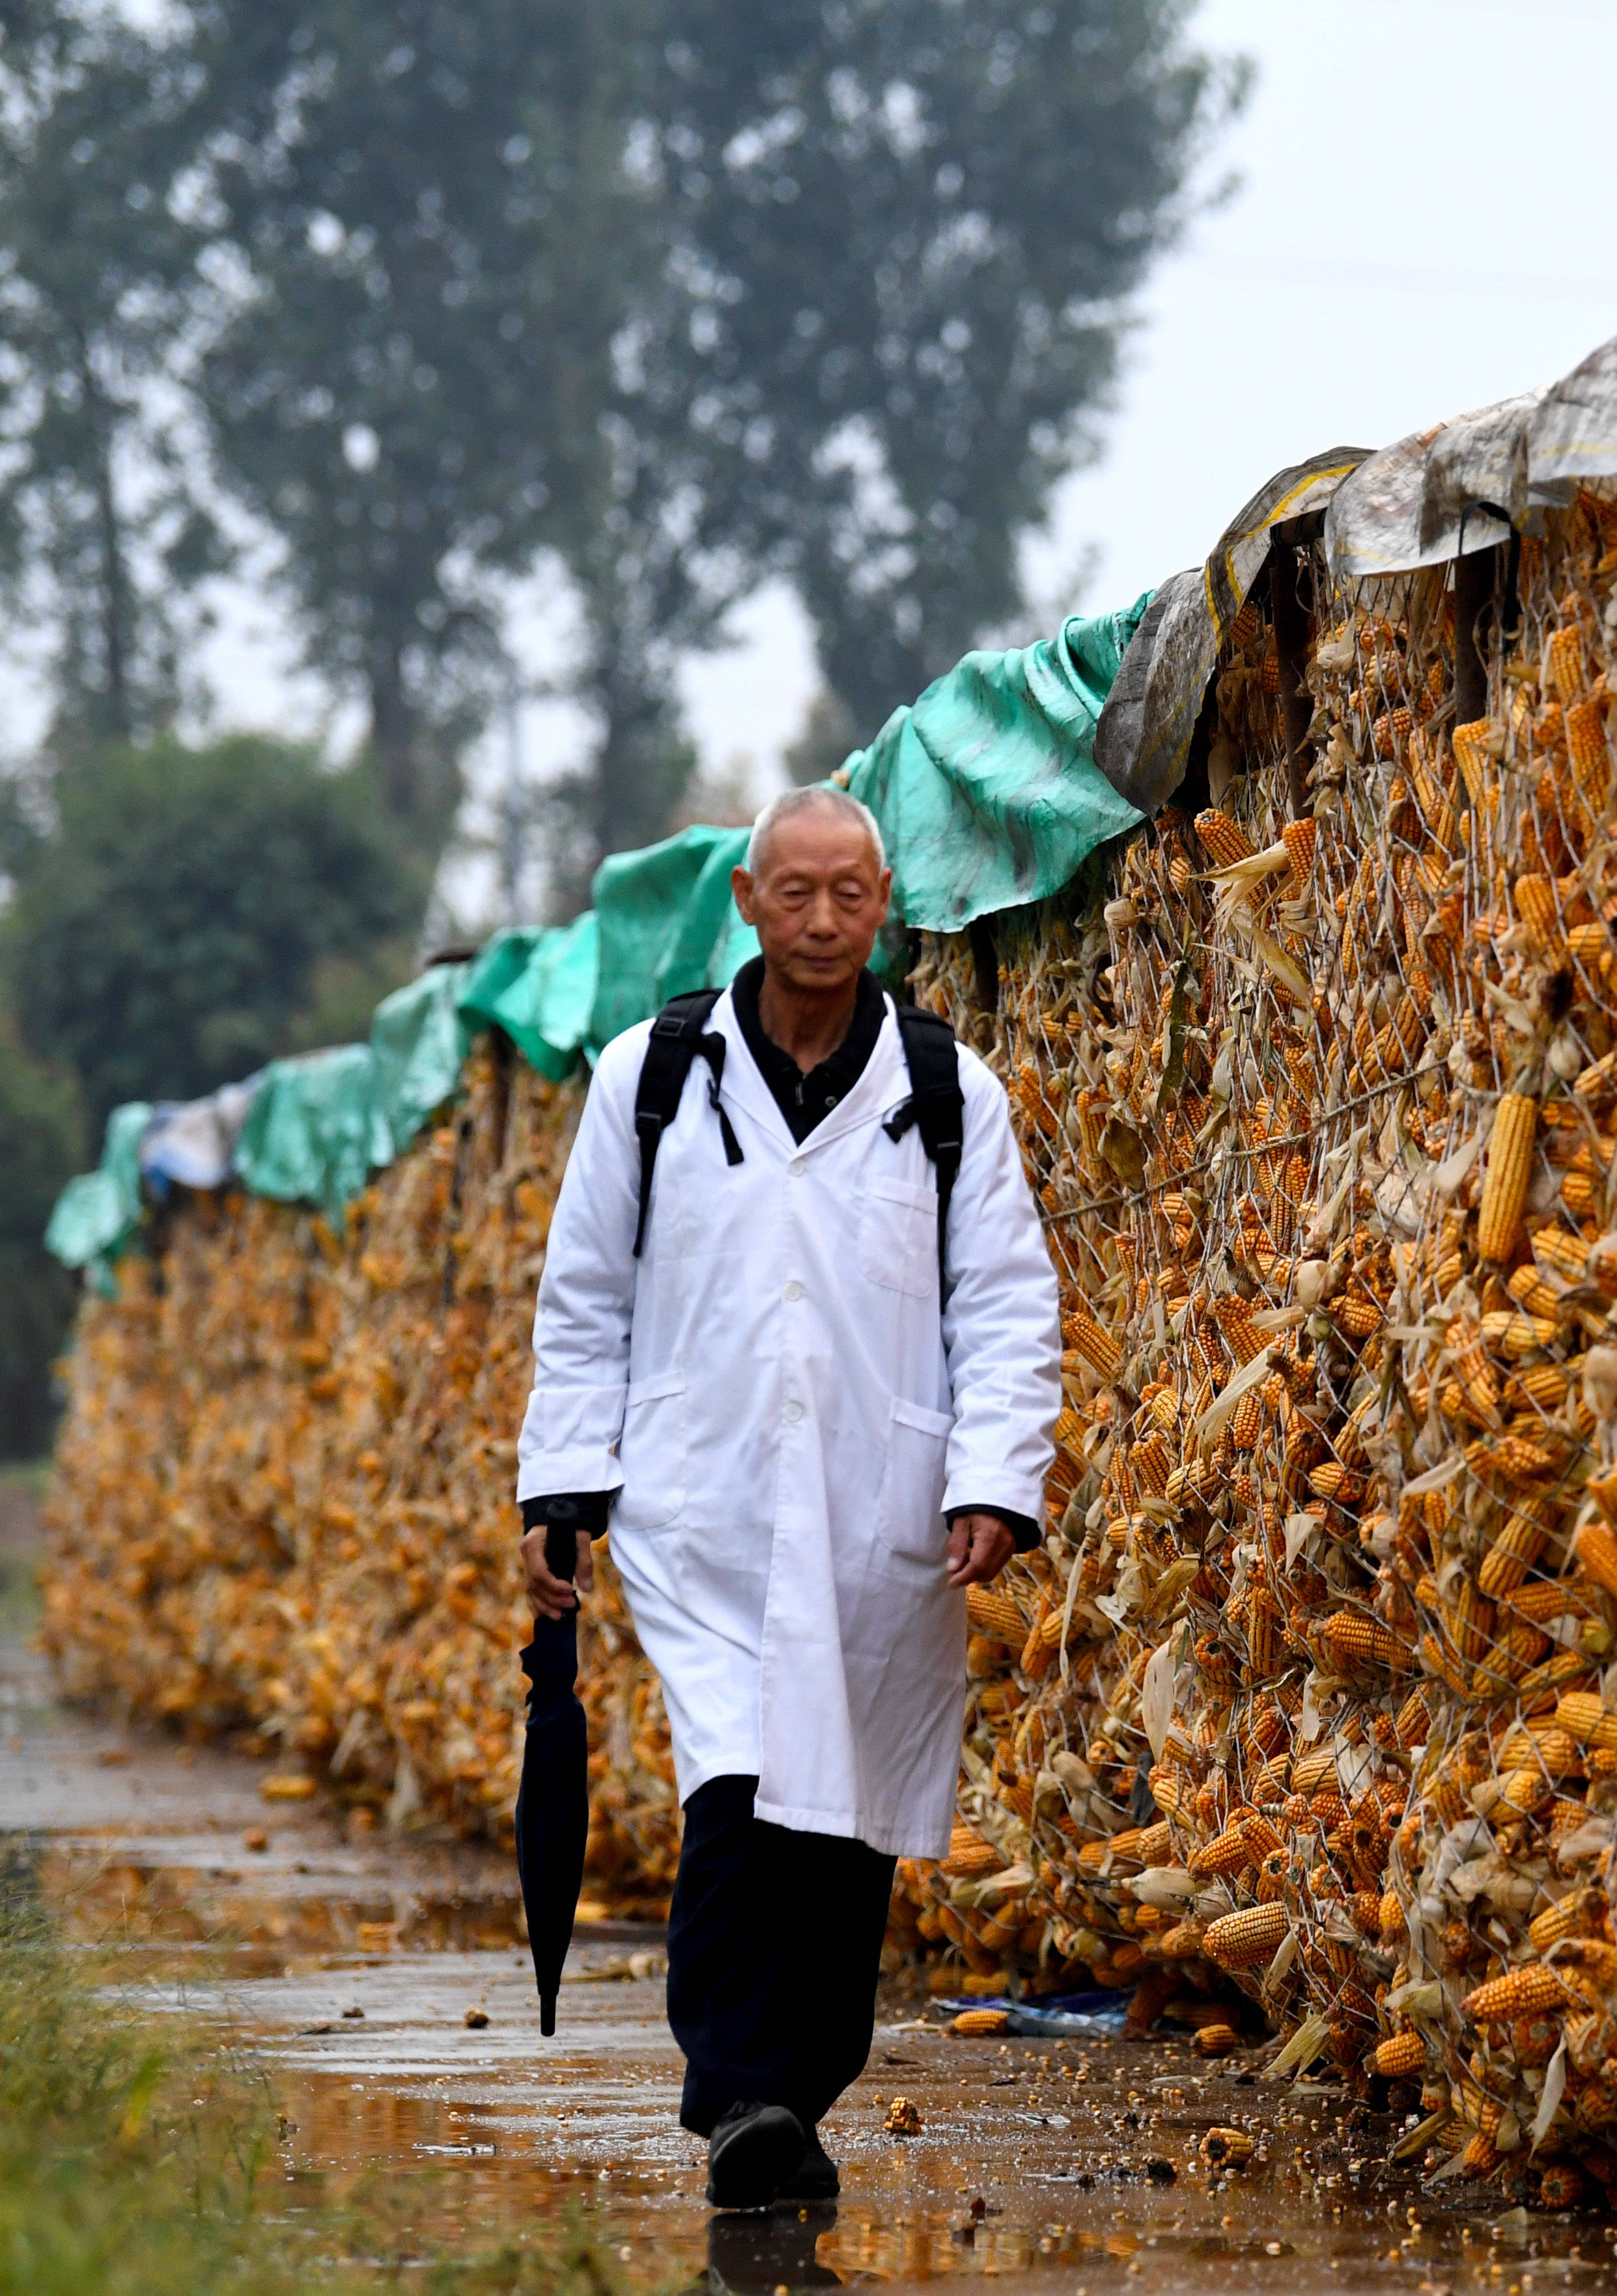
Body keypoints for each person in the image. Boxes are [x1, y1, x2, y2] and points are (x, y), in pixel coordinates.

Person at [514, 783, 1059, 2209]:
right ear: (747, 903)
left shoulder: (947, 1092)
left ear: (885, 906)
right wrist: (564, 1485)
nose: (822, 920)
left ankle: (794, 2087)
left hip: (882, 1505)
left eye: (850, 894)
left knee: (847, 1813)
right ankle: (742, 2087)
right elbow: (585, 1297)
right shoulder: (653, 1075)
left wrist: (995, 1476)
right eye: (794, 893)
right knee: (742, 1785)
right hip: (703, 1501)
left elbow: (1003, 1301)